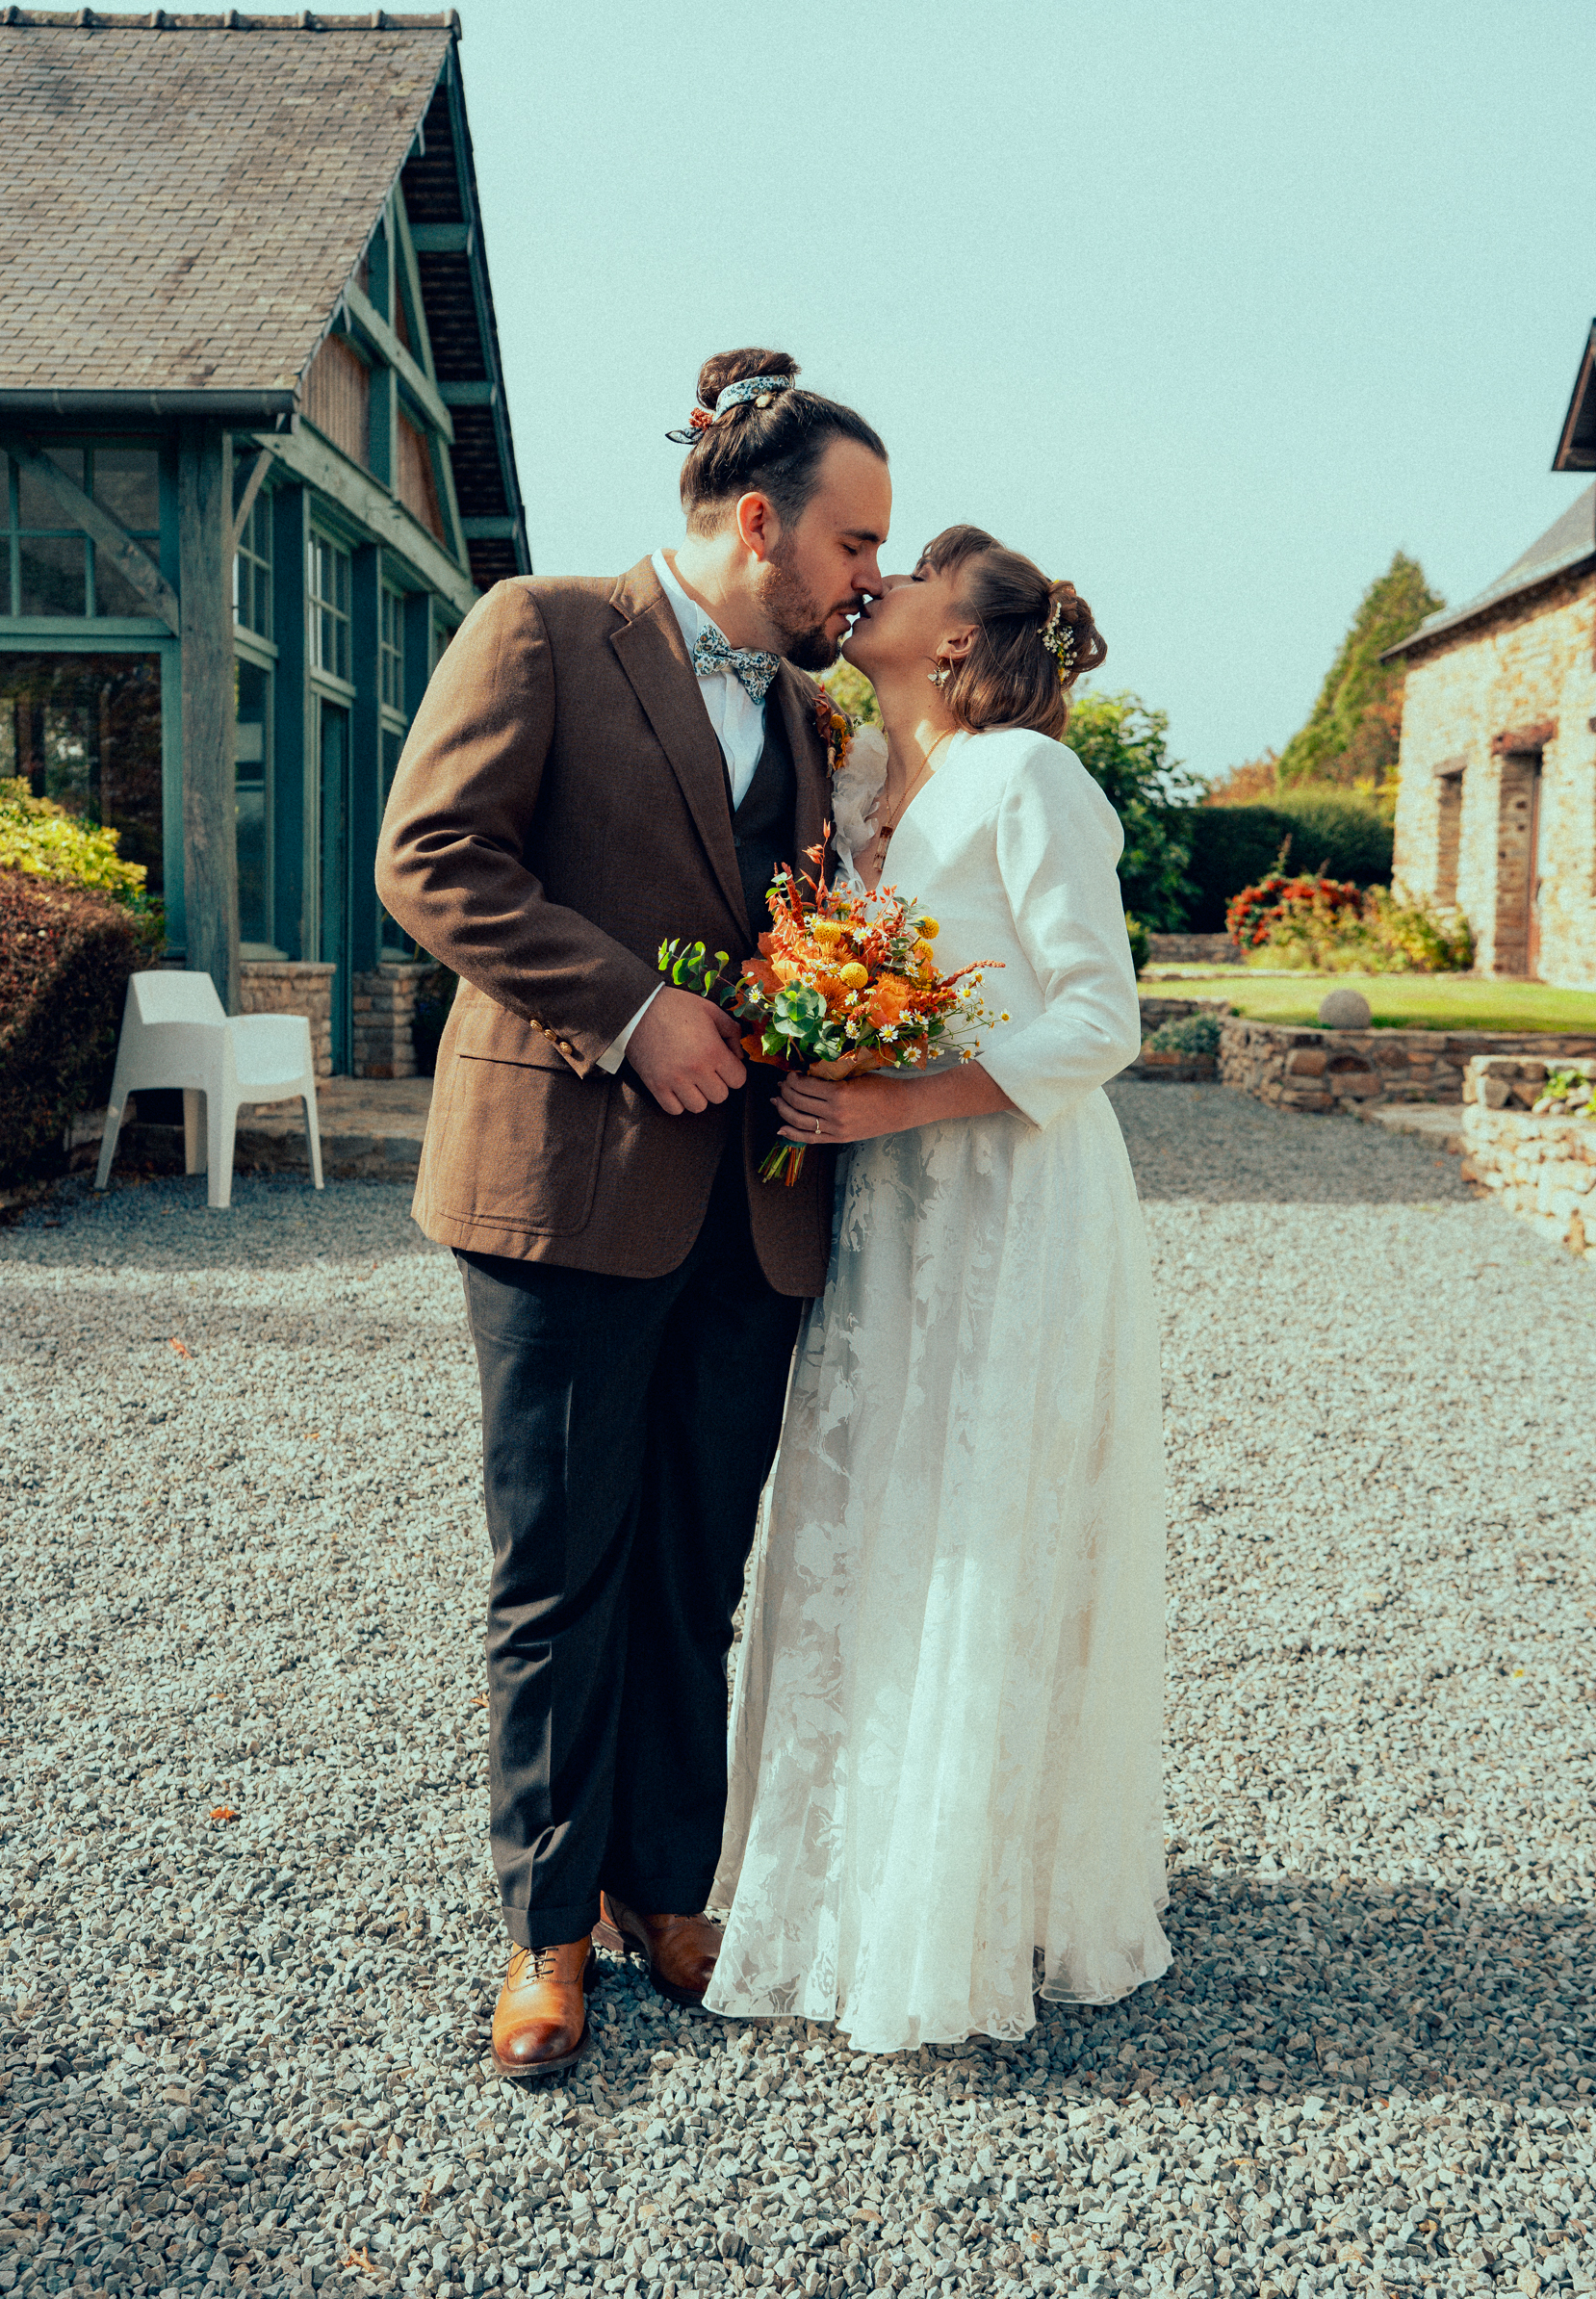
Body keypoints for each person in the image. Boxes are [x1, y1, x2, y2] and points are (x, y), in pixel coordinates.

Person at [374, 349, 891, 2078]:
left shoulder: (808, 715)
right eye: (853, 542)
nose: (872, 576)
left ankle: (665, 1885)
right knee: (559, 1575)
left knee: (693, 1570)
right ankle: (543, 1930)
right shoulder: (539, 628)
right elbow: (432, 858)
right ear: (758, 521)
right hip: (566, 1192)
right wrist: (630, 1009)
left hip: (756, 1211)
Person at [705, 526, 1171, 2052]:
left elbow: (1101, 1018)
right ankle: (849, 1875)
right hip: (886, 1210)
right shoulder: (852, 783)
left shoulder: (1028, 779)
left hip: (1010, 1199)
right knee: (869, 1507)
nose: (875, 586)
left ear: (957, 638)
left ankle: (969, 1896)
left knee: (981, 1515)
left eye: (906, 578)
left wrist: (904, 1100)